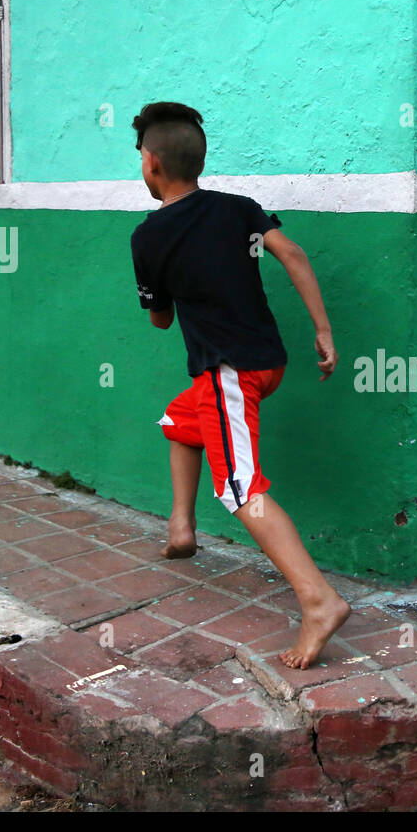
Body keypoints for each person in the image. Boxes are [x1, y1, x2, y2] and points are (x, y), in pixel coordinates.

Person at [129, 101, 350, 670]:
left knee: (240, 487)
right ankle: (181, 527)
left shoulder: (147, 237)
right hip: (265, 362)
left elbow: (159, 319)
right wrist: (322, 330)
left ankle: (319, 601)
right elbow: (292, 253)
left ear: (152, 164)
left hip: (228, 371)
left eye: (140, 160)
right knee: (179, 421)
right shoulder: (239, 208)